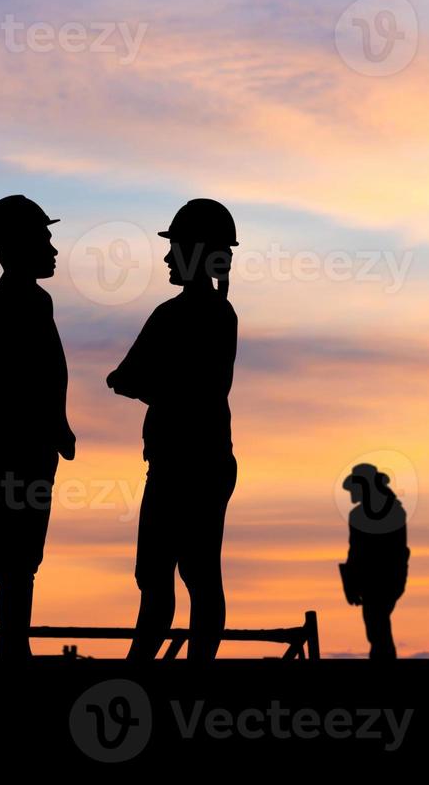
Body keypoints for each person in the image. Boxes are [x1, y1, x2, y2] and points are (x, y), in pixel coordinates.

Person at [108, 199, 238, 661]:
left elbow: (133, 380)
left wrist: (159, 385)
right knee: (176, 574)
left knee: (183, 574)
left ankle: (143, 669)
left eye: (175, 248)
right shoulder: (204, 316)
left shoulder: (186, 317)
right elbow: (125, 379)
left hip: (188, 466)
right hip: (187, 463)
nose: (166, 258)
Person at [0, 195, 76, 660]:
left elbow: (48, 375)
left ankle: (9, 648)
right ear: (16, 246)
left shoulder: (34, 304)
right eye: (43, 238)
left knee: (19, 561)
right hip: (4, 456)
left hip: (28, 454)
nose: (52, 248)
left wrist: (57, 429)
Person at [340, 464, 409, 660]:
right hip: (380, 580)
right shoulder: (391, 512)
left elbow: (357, 553)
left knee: (376, 626)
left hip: (382, 580)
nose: (351, 493)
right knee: (377, 627)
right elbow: (355, 553)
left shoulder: (388, 514)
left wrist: (354, 582)